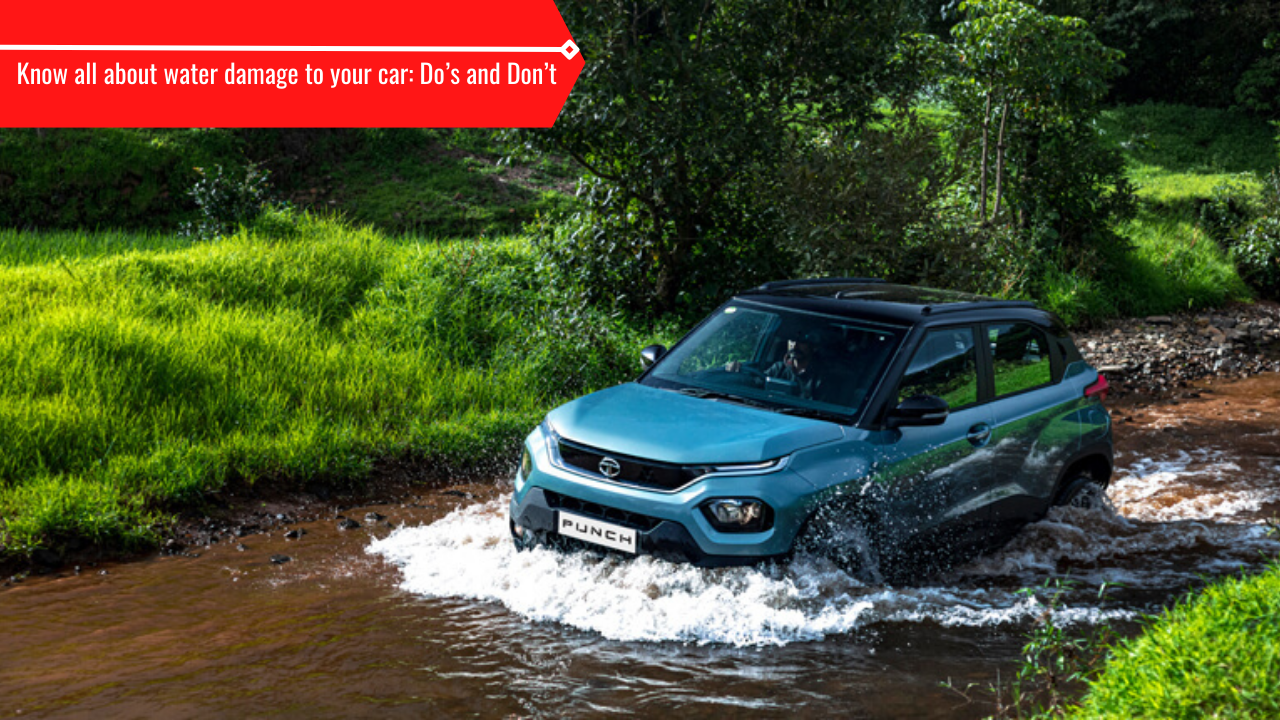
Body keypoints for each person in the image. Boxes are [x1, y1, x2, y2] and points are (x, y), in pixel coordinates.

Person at [726, 336, 826, 400]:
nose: (794, 346)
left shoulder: (823, 376)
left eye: (801, 342)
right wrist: (737, 371)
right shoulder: (779, 368)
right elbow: (755, 384)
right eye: (792, 340)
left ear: (814, 346)